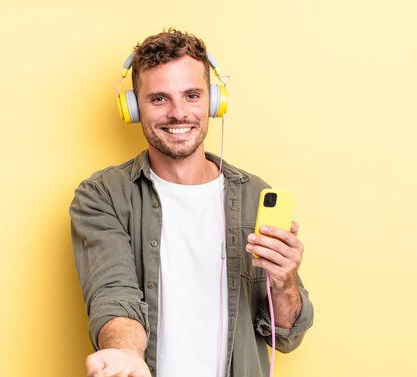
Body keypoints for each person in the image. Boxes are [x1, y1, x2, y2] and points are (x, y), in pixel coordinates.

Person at [70, 29, 313, 377]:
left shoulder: (255, 195)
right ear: (134, 107)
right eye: (159, 99)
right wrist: (125, 354)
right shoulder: (103, 195)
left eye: (192, 95)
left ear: (214, 102)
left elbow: (288, 335)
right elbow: (113, 294)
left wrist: (285, 283)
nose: (178, 113)